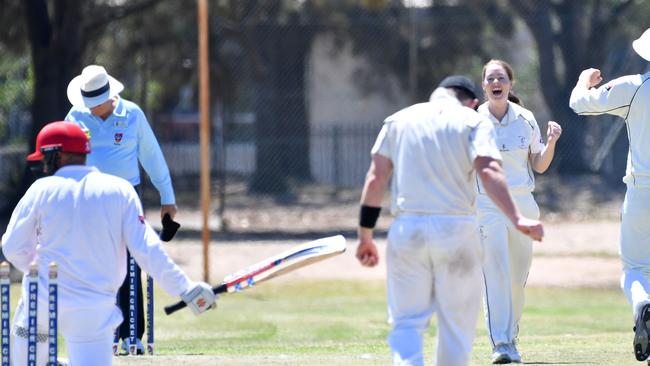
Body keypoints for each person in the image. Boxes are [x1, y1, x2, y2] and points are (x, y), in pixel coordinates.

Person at [356, 75, 544, 366]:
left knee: (407, 323)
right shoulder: (472, 120)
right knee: (455, 325)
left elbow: (376, 177)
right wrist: (516, 217)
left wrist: (365, 235)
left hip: (408, 229)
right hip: (456, 229)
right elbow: (490, 172)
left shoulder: (398, 120)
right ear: (471, 102)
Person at [1, 121, 216, 366]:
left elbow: (12, 247)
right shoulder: (121, 190)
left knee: (25, 356)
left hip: (42, 307)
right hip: (94, 311)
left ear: (56, 155)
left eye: (44, 158)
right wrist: (185, 289)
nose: (42, 165)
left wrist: (34, 266)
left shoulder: (41, 189)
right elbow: (146, 248)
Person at [64, 64, 176, 353]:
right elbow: (63, 160)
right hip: (89, 198)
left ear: (108, 97)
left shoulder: (133, 115)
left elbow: (152, 157)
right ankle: (104, 333)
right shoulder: (75, 117)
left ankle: (132, 335)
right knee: (96, 265)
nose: (89, 108)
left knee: (130, 263)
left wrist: (168, 198)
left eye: (93, 103)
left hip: (127, 197)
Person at [569, 28, 650, 362]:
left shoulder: (634, 85)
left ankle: (643, 304)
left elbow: (578, 105)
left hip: (642, 189)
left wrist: (583, 80)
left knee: (633, 268)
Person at [476, 59, 562, 364]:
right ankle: (501, 344)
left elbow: (539, 164)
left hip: (524, 205)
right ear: (484, 86)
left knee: (516, 278)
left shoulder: (525, 119)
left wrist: (551, 142)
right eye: (490, 79)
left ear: (510, 84)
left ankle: (511, 337)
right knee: (495, 270)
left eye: (501, 78)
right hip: (487, 206)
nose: (495, 83)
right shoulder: (473, 121)